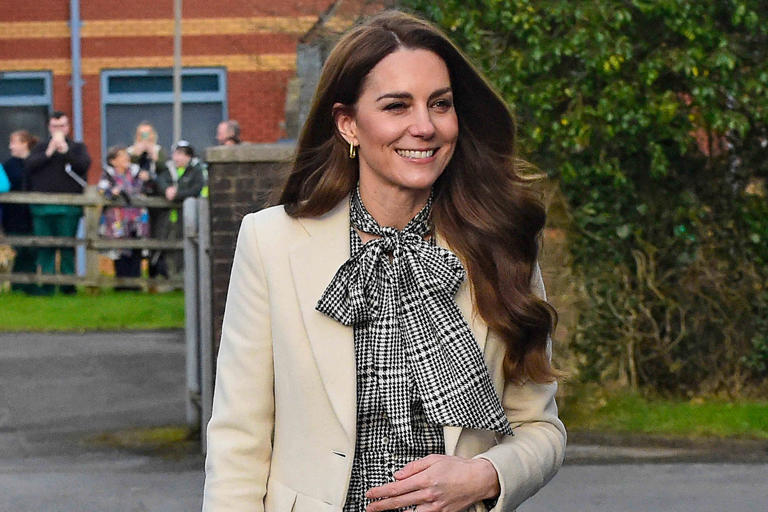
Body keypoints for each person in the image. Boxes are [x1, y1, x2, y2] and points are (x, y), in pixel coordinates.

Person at [203, 10, 565, 512]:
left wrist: (485, 475)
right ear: (348, 123)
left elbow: (540, 428)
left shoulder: (499, 242)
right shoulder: (270, 242)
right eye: (397, 106)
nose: (424, 126)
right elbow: (238, 441)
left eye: (440, 104)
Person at [25, 111, 91, 295]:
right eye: (55, 126)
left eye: (62, 126)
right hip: (42, 208)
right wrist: (48, 152)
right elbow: (30, 166)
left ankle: (68, 285)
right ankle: (46, 285)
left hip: (68, 208)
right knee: (45, 247)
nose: (59, 130)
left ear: (68, 127)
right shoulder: (40, 147)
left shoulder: (77, 148)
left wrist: (66, 152)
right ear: (49, 128)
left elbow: (83, 165)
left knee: (67, 248)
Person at [149, 140, 205, 280]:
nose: (177, 158)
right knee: (166, 246)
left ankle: (184, 278)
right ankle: (168, 276)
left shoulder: (196, 171)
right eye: (176, 153)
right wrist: (166, 190)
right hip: (167, 218)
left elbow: (195, 189)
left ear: (189, 156)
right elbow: (160, 182)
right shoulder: (168, 169)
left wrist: (177, 194)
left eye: (182, 154)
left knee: (187, 247)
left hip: (187, 217)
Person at [97, 146, 150, 290]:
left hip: (136, 219)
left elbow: (146, 188)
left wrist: (146, 179)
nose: (125, 159)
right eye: (121, 156)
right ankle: (121, 285)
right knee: (120, 251)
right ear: (113, 161)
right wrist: (112, 192)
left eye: (126, 156)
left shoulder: (136, 172)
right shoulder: (108, 174)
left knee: (136, 249)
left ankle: (135, 284)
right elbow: (102, 190)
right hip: (117, 220)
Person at [1, 130, 39, 294]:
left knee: (32, 249)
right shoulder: (8, 165)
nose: (10, 146)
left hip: (33, 214)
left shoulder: (36, 163)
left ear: (25, 143)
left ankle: (30, 285)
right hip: (13, 214)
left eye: (14, 142)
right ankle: (17, 285)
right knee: (17, 248)